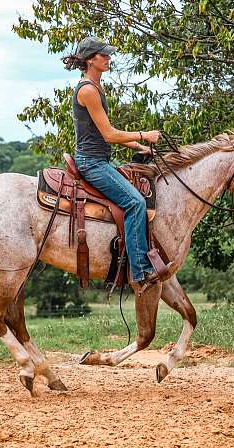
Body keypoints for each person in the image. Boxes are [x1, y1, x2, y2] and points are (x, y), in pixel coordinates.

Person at [62, 36, 173, 292]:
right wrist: (144, 135)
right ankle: (141, 270)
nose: (109, 58)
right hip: (92, 163)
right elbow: (110, 134)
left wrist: (138, 147)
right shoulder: (88, 90)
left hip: (100, 159)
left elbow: (103, 133)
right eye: (104, 55)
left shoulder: (96, 87)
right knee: (135, 202)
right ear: (91, 60)